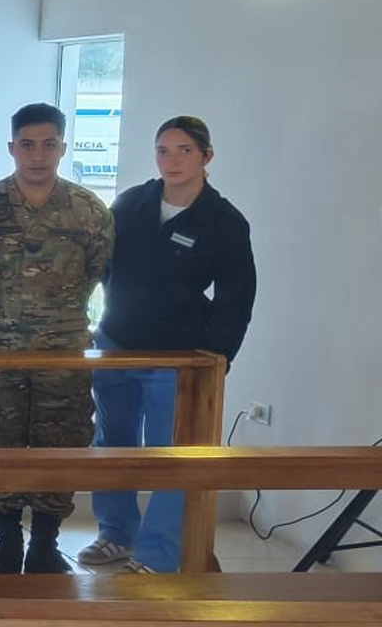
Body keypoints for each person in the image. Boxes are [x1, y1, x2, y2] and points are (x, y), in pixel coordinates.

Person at [80, 116, 255, 575]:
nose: (172, 161)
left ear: (206, 157)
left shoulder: (223, 221)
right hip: (117, 346)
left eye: (184, 151)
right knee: (112, 444)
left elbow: (237, 296)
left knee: (169, 454)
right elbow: (105, 269)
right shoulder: (132, 203)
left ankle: (158, 555)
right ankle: (115, 534)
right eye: (163, 150)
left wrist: (215, 357)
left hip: (177, 359)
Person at [0, 104, 113, 574]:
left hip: (63, 351)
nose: (37, 155)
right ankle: (6, 541)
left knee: (62, 441)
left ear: (63, 147)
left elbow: (98, 270)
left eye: (48, 144)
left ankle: (47, 544)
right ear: (12, 148)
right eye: (27, 145)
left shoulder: (88, 211)